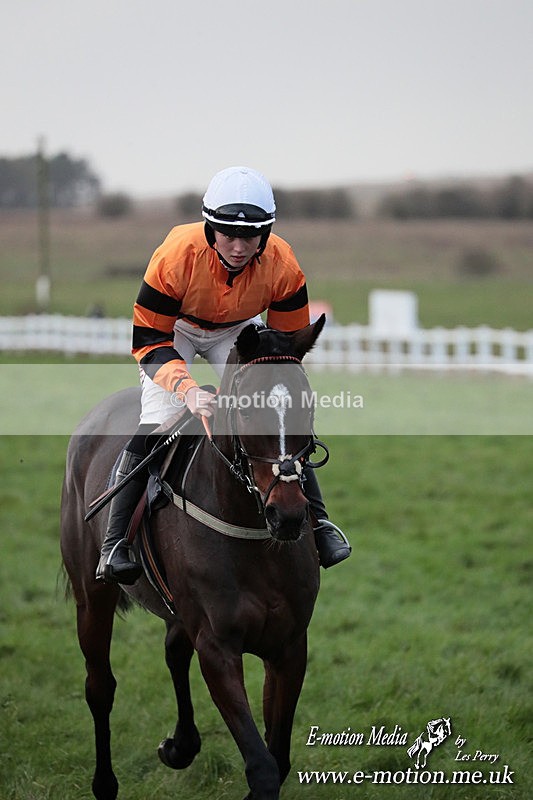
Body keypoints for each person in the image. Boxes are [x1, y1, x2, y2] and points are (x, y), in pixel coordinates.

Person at [96, 166, 351, 584]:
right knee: (158, 420)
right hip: (172, 330)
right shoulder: (175, 256)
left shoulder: (283, 264)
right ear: (209, 227)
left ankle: (320, 525)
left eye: (250, 236)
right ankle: (115, 542)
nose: (237, 246)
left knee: (278, 419)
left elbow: (286, 348)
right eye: (227, 234)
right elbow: (148, 341)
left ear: (265, 235)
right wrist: (189, 391)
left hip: (237, 330)